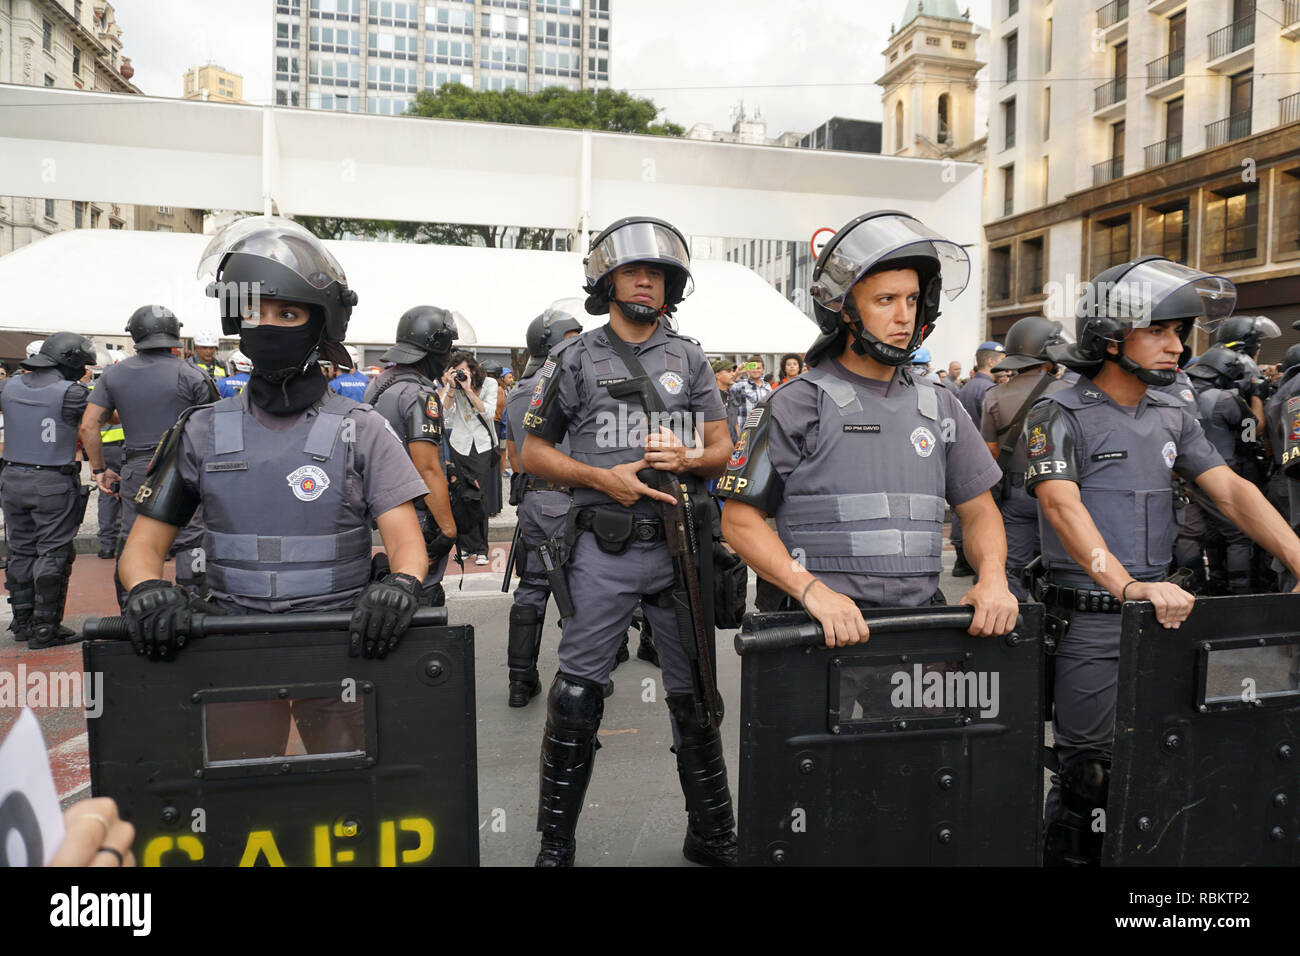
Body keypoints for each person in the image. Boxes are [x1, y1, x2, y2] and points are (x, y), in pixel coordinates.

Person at [1023, 255, 1300, 866]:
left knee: (1168, 759)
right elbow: (1063, 508)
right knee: (1089, 780)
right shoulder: (1059, 412)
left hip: (1164, 617)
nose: (1177, 346)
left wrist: (1297, 555)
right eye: (1160, 330)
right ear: (1110, 334)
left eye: (1181, 332)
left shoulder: (1174, 409)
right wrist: (1126, 587)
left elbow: (1230, 490)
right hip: (1092, 622)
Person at [521, 215, 735, 867]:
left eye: (658, 273)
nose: (646, 281)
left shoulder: (690, 357)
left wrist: (691, 455)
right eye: (634, 270)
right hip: (601, 549)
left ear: (672, 287)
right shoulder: (573, 357)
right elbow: (530, 451)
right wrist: (597, 478)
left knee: (693, 691)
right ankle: (555, 843)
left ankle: (712, 835)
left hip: (678, 549)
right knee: (578, 692)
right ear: (607, 280)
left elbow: (722, 448)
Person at [717, 208, 1017, 646]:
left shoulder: (940, 404)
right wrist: (812, 591)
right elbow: (739, 521)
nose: (904, 317)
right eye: (886, 300)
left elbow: (979, 511)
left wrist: (993, 578)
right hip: (814, 629)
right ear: (846, 311)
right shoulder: (794, 403)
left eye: (912, 300)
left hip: (915, 629)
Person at [80, 306, 218, 607]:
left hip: (137, 469)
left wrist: (100, 468)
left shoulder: (114, 375)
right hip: (184, 465)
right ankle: (195, 610)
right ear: (175, 334)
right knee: (191, 539)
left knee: (134, 540)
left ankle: (137, 610)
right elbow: (215, 427)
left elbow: (89, 425)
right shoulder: (191, 374)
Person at [502, 299, 583, 706]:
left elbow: (515, 458)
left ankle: (520, 679)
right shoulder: (567, 384)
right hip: (567, 499)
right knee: (579, 590)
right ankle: (582, 679)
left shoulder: (517, 392)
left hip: (532, 501)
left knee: (532, 587)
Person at [0, 333, 96, 648]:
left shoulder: (9, 385)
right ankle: (45, 628)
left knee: (21, 549)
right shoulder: (72, 393)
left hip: (12, 478)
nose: (83, 370)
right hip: (51, 482)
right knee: (53, 552)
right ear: (69, 362)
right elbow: (96, 421)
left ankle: (23, 622)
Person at [362, 305, 459, 606]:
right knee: (421, 593)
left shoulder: (378, 384)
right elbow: (427, 468)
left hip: (385, 508)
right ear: (437, 348)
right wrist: (448, 528)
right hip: (418, 513)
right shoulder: (421, 394)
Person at [978, 316, 1071, 599]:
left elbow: (990, 450)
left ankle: (1015, 624)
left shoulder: (994, 395)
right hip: (1062, 489)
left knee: (1014, 565)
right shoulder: (1069, 393)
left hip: (1017, 490)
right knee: (1060, 563)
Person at [1185, 346, 1257, 595]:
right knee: (1237, 535)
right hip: (1222, 471)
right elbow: (1249, 428)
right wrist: (1248, 444)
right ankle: (1240, 588)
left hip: (1189, 473)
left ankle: (1213, 580)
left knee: (1208, 532)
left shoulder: (1181, 392)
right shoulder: (1224, 398)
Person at [950, 340, 1005, 576]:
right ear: (991, 362)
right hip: (983, 455)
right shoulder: (988, 390)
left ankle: (961, 556)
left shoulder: (966, 388)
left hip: (963, 453)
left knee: (960, 509)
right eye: (1002, 361)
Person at [440, 350, 498, 566]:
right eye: (458, 372)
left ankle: (482, 548)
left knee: (478, 497)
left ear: (474, 369)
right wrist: (451, 387)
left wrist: (469, 389)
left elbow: (489, 413)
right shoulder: (453, 386)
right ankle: (464, 546)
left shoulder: (490, 384)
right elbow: (443, 414)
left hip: (481, 445)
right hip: (460, 445)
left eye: (465, 370)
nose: (463, 374)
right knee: (460, 496)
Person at [729, 354, 771, 420]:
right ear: (748, 370)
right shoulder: (741, 384)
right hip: (744, 427)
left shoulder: (767, 386)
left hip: (763, 426)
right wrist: (737, 372)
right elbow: (726, 388)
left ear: (763, 370)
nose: (755, 370)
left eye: (758, 368)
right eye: (752, 368)